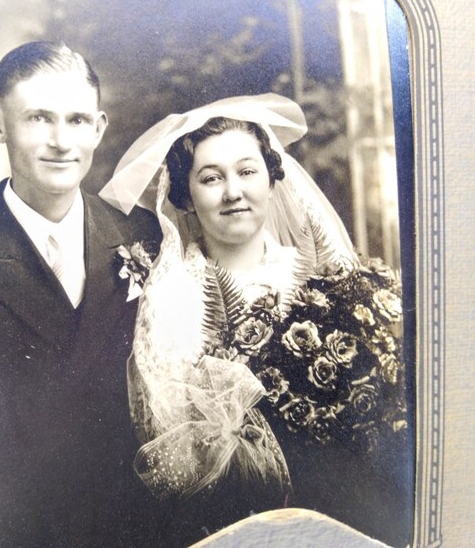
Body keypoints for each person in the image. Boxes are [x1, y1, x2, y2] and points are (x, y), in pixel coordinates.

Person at [100, 94, 410, 547]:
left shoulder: (326, 279)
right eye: (211, 178)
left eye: (247, 171)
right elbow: (182, 459)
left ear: (270, 178)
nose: (232, 192)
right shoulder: (174, 301)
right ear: (186, 196)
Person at [0, 41, 162, 547]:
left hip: (133, 526)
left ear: (99, 127)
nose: (60, 141)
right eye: (37, 118)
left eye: (75, 120)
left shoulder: (143, 235)